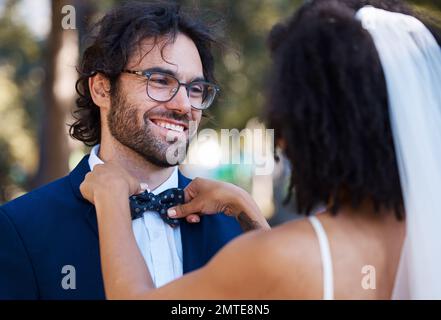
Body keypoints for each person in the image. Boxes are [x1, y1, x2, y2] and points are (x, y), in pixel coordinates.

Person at [80, 0, 441, 299]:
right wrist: (248, 210)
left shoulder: (277, 258)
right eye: (160, 81)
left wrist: (111, 198)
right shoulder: (426, 241)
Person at [0, 1, 269, 300]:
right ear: (102, 89)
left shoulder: (236, 227)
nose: (183, 106)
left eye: (195, 89)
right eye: (160, 81)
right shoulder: (21, 228)